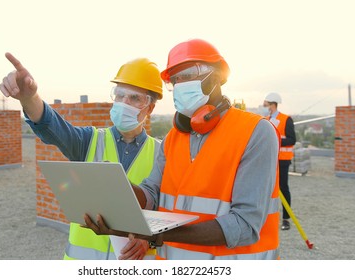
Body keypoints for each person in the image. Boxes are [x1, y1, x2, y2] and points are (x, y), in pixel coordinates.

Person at [84, 39, 281, 260]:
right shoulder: (173, 138)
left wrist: (157, 234)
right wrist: (119, 186)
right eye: (174, 80)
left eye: (186, 76)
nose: (179, 85)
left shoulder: (255, 132)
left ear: (215, 78)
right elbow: (152, 196)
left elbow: (244, 226)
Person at [0, 53, 164, 260]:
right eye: (120, 95)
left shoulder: (162, 154)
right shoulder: (89, 140)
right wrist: (29, 97)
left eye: (134, 98)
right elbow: (52, 126)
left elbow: (168, 213)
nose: (124, 102)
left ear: (150, 107)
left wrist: (148, 239)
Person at [263, 93, 297, 230]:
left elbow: (292, 139)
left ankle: (286, 219)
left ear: (273, 104)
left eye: (267, 104)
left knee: (283, 188)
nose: (265, 107)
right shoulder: (266, 120)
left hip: (282, 160)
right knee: (266, 190)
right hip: (269, 159)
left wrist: (276, 140)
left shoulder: (286, 119)